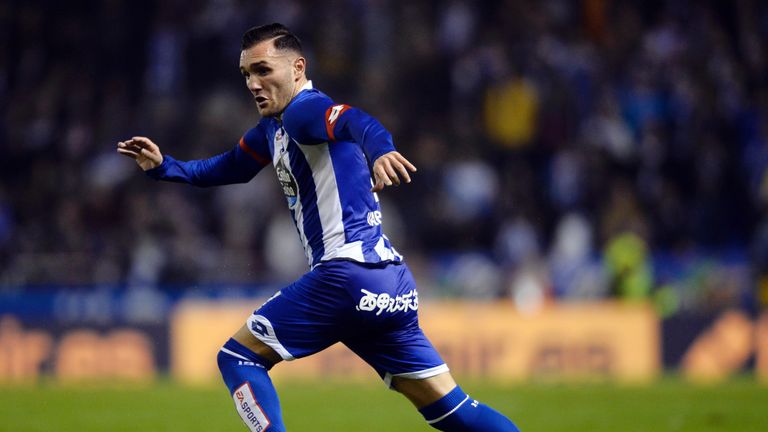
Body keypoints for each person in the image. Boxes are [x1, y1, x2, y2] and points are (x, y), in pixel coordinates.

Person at [117, 23, 520, 432]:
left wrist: (381, 150)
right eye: (246, 75)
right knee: (455, 411)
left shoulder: (303, 111)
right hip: (389, 282)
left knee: (238, 357)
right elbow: (229, 168)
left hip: (344, 276)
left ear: (297, 68)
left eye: (262, 70)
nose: (253, 83)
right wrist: (167, 167)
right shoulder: (272, 128)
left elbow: (355, 119)